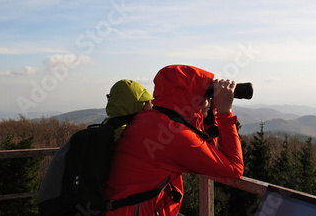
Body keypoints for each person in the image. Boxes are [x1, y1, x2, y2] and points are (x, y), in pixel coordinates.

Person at [104, 65, 244, 216]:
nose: (209, 102)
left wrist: (211, 115)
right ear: (193, 99)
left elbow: (206, 150)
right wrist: (225, 113)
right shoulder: (175, 135)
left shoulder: (148, 120)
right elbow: (234, 168)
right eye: (207, 97)